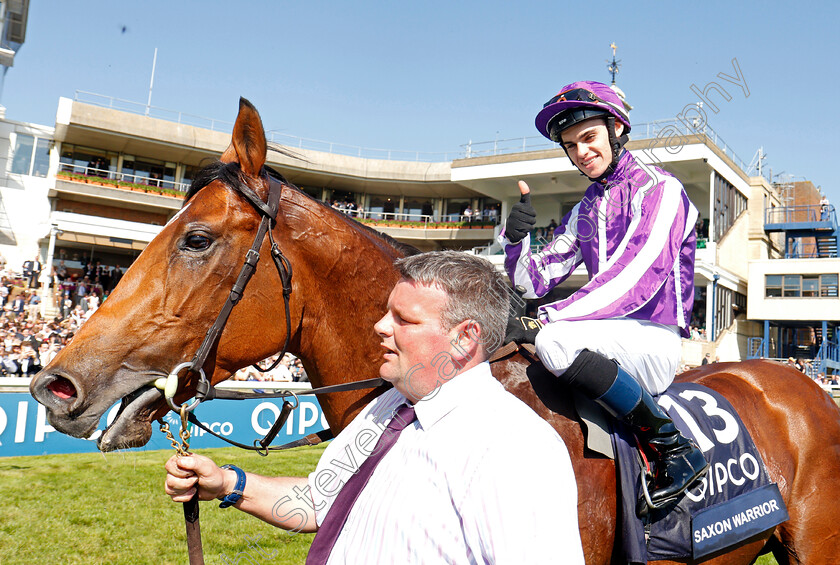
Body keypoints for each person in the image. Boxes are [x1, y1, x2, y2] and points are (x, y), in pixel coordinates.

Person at [165, 251, 584, 563]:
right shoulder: (388, 407)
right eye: (387, 312)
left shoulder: (515, 447)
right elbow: (317, 501)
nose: (380, 326)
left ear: (465, 338)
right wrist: (227, 483)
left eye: (404, 319)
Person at [500, 81, 707, 508]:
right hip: (603, 334)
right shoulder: (585, 210)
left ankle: (674, 448)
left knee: (551, 339)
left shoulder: (661, 189)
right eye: (571, 145)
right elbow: (533, 281)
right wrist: (516, 241)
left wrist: (546, 318)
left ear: (615, 129)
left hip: (652, 337)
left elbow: (635, 279)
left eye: (589, 138)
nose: (581, 152)